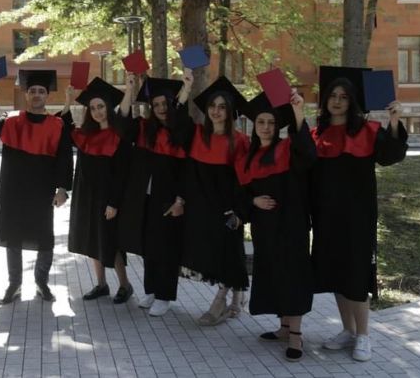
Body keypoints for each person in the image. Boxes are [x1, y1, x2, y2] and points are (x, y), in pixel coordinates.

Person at [311, 67, 407, 362]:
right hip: (326, 218)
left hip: (357, 217)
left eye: (344, 97)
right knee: (336, 273)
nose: (337, 101)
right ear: (326, 101)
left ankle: (364, 335)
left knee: (355, 274)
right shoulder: (318, 134)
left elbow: (392, 155)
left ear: (352, 102)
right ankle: (348, 331)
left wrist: (394, 120)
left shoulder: (368, 131)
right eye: (333, 96)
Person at [234, 91, 314, 362]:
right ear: (254, 127)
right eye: (261, 123)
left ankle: (296, 335)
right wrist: (253, 200)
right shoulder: (248, 157)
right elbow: (240, 194)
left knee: (293, 274)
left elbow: (308, 152)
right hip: (264, 228)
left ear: (277, 125)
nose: (266, 127)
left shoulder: (288, 148)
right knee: (274, 274)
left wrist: (299, 111)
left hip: (291, 223)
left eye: (270, 122)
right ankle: (283, 328)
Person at [0, 69, 73, 304]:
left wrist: (62, 189)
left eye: (41, 91)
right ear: (26, 94)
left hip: (42, 189)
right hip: (13, 189)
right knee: (13, 236)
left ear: (47, 96)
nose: (37, 94)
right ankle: (14, 284)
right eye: (33, 91)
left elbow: (65, 158)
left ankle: (41, 283)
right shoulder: (11, 121)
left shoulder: (56, 125)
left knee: (44, 237)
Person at [116, 72, 188, 317]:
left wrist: (181, 200)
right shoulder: (144, 129)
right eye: (156, 105)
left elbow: (186, 172)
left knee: (166, 248)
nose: (160, 108)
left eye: (164, 104)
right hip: (145, 198)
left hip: (167, 199)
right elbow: (122, 124)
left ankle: (165, 295)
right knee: (148, 247)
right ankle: (152, 290)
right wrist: (129, 90)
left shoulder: (180, 133)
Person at [180, 75, 250, 326]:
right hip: (202, 207)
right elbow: (177, 122)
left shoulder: (240, 141)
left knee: (229, 252)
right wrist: (187, 88)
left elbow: (244, 181)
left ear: (230, 111)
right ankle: (239, 294)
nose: (216, 111)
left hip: (227, 207)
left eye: (222, 107)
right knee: (216, 253)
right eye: (212, 106)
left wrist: (240, 212)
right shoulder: (198, 135)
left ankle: (221, 301)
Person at [60, 77, 133, 304]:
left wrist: (114, 202)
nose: (97, 111)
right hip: (86, 196)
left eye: (101, 106)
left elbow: (121, 173)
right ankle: (101, 284)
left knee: (112, 242)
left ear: (108, 108)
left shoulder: (118, 135)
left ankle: (125, 285)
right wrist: (68, 100)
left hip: (107, 198)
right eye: (92, 108)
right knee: (92, 240)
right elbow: (63, 127)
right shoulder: (85, 135)